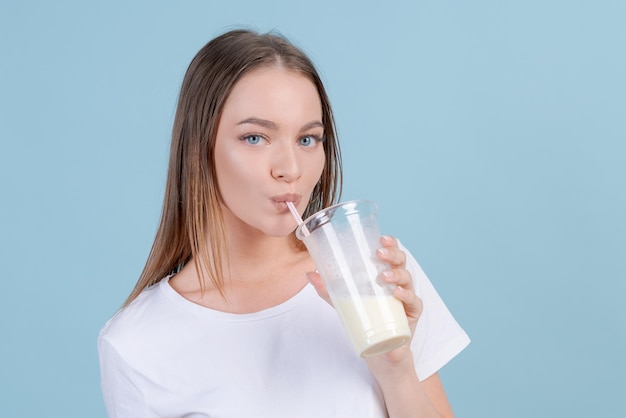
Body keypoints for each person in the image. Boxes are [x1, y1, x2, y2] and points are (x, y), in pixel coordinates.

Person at [98, 29, 470, 418]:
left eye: (308, 139)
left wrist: (396, 368)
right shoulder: (137, 344)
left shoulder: (372, 276)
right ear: (199, 148)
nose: (290, 169)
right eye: (256, 137)